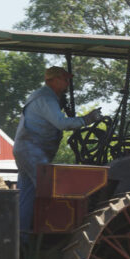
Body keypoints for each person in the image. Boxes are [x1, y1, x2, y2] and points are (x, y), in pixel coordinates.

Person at [13, 66, 102, 239]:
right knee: (53, 191)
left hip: (25, 149)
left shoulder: (42, 96)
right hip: (32, 149)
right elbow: (61, 123)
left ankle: (20, 240)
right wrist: (87, 119)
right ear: (52, 80)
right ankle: (58, 237)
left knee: (27, 195)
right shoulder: (46, 98)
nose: (67, 83)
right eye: (64, 79)